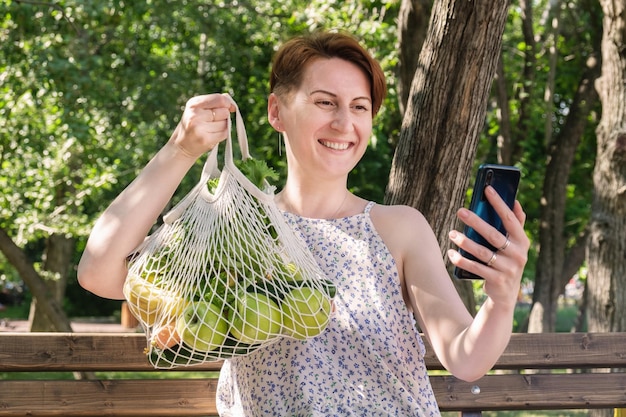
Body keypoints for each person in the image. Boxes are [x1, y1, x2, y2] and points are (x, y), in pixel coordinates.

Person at [78, 31, 529, 416]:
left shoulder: (400, 228)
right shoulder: (239, 228)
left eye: (360, 107)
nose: (344, 123)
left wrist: (501, 298)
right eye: (324, 102)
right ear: (277, 112)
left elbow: (465, 359)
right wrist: (180, 150)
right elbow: (99, 273)